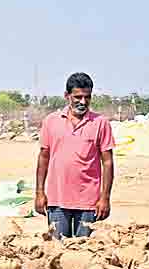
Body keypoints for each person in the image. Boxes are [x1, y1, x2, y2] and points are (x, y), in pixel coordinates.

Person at [34, 72, 116, 239]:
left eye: (87, 97)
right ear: (67, 96)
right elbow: (44, 157)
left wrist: (105, 198)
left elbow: (107, 162)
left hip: (88, 202)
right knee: (56, 251)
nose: (82, 101)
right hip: (57, 200)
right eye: (77, 97)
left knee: (84, 252)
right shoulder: (51, 121)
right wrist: (39, 193)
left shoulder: (100, 123)